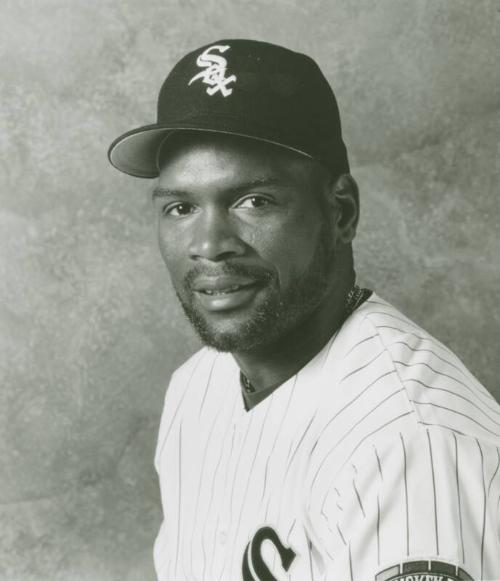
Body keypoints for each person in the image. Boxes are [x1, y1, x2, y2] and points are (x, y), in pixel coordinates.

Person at [108, 39, 500, 581]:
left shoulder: (410, 442)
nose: (209, 243)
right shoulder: (194, 388)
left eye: (254, 201)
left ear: (340, 212)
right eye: (181, 207)